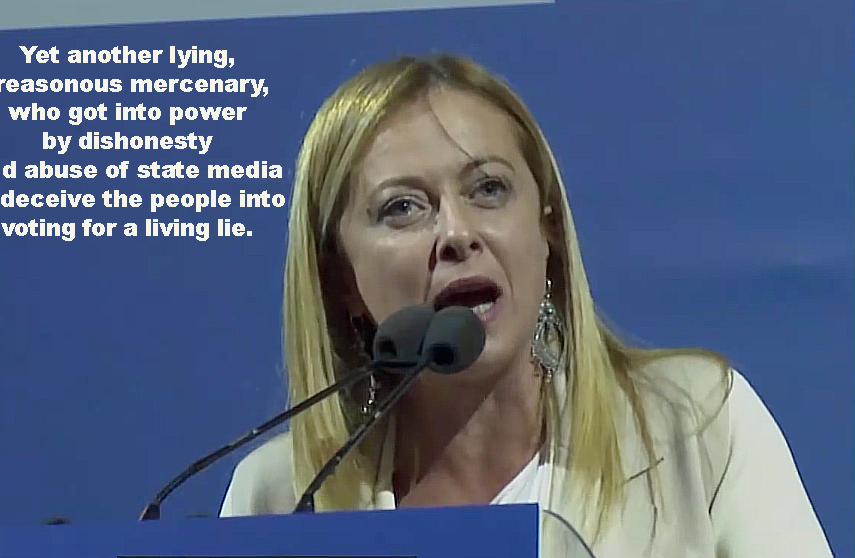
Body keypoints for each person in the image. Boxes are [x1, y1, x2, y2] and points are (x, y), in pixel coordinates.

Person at [219, 54, 833, 557]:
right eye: (402, 207)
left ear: (548, 232)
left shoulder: (695, 426)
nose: (457, 232)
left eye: (488, 189)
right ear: (341, 280)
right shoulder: (281, 497)